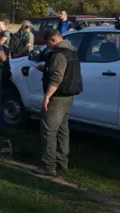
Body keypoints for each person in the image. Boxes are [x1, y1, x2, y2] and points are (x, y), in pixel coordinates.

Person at [33, 29, 83, 176]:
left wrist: (47, 96)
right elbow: (63, 72)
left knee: (49, 131)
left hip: (57, 98)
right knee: (63, 130)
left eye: (48, 43)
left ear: (53, 40)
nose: (48, 46)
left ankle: (48, 166)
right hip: (68, 97)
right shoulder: (71, 52)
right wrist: (44, 68)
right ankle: (62, 162)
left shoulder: (59, 54)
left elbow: (57, 77)